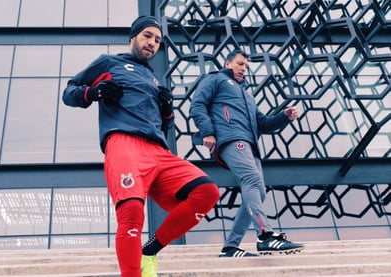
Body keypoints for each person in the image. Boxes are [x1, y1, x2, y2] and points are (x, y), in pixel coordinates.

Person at [62, 15, 220, 277]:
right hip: (124, 143)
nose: (152, 43)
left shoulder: (154, 78)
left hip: (158, 151)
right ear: (132, 38)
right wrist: (93, 92)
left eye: (157, 40)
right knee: (133, 212)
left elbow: (165, 126)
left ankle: (150, 250)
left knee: (207, 192)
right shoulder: (110, 62)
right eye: (147, 36)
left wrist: (167, 112)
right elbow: (69, 92)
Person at [190, 49, 304, 258]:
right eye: (240, 64)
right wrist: (208, 132)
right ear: (227, 63)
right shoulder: (215, 79)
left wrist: (284, 117)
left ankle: (231, 247)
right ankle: (265, 235)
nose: (244, 69)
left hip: (251, 146)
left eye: (246, 66)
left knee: (259, 191)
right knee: (251, 180)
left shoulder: (247, 96)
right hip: (230, 138)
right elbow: (197, 105)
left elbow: (263, 124)